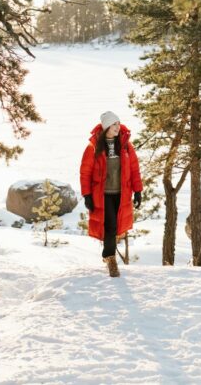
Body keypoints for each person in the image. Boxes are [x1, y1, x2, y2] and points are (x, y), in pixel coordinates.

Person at [79, 111, 143, 277]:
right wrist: (87, 195)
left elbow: (135, 169)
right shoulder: (93, 148)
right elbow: (85, 173)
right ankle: (110, 258)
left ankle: (108, 256)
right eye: (114, 124)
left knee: (115, 227)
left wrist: (138, 191)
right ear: (106, 126)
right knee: (111, 225)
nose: (118, 127)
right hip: (103, 195)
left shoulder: (126, 146)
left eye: (118, 123)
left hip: (121, 194)